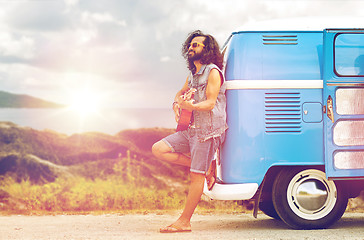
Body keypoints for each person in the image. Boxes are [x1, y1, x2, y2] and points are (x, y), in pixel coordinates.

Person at [152, 30, 228, 233]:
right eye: (190, 45)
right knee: (158, 149)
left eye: (196, 45)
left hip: (208, 132)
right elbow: (179, 94)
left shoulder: (212, 72)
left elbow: (211, 103)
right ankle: (205, 169)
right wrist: (177, 105)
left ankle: (184, 221)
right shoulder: (193, 75)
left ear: (207, 49)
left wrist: (191, 107)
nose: (190, 48)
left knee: (196, 177)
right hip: (191, 130)